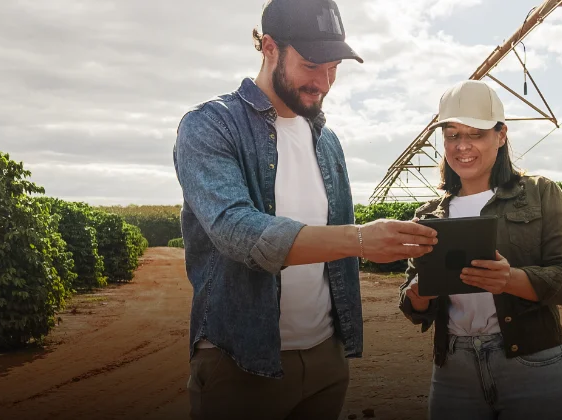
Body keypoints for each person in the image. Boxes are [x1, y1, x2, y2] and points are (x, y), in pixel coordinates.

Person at [172, 0, 438, 418]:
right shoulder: (210, 125)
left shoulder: (326, 140)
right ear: (270, 47)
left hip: (326, 360)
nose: (324, 82)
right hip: (242, 362)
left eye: (334, 68)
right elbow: (237, 231)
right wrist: (362, 240)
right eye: (312, 65)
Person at [398, 79, 562, 419]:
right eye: (452, 135)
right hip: (454, 369)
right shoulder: (428, 216)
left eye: (476, 134)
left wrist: (509, 279)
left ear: (501, 135)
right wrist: (418, 294)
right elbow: (413, 306)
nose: (462, 146)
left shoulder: (541, 193)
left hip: (532, 364)